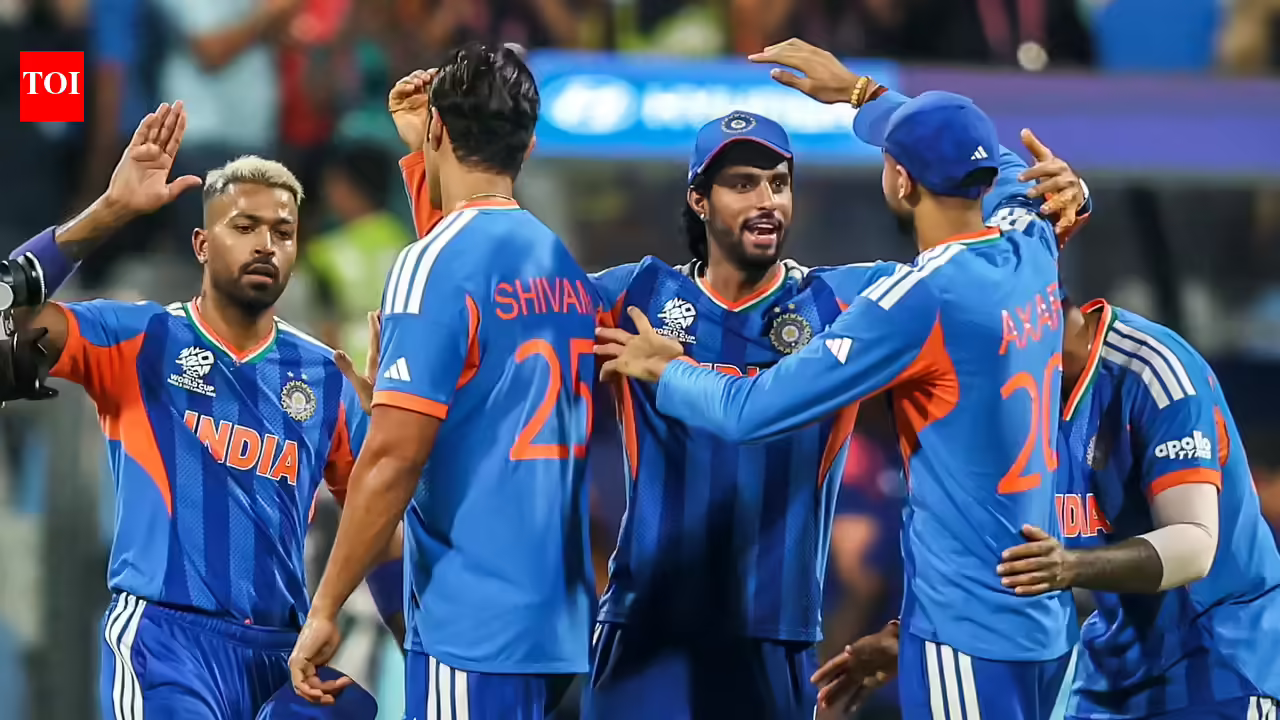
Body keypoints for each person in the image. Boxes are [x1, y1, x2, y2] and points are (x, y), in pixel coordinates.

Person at [596, 38, 1077, 720]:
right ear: (698, 199)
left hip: (786, 631)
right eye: (742, 183)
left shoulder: (869, 299)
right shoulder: (633, 292)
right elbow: (1009, 178)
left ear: (901, 181)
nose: (766, 199)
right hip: (646, 625)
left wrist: (668, 370)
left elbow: (748, 411)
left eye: (778, 181)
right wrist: (862, 96)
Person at [4, 102, 396, 718]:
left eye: (283, 232)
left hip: (281, 655)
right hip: (164, 647)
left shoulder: (328, 377)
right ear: (202, 244)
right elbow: (6, 318)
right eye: (244, 227)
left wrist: (418, 656)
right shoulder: (136, 338)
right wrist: (109, 211)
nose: (266, 244)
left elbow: (382, 525)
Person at [288, 43, 597, 720]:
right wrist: (423, 156)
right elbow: (477, 283)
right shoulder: (560, 264)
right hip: (555, 621)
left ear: (439, 129)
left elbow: (392, 461)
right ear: (528, 144)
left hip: (473, 620)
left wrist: (326, 605)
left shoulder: (431, 265)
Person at [991, 293, 1280, 719]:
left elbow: (1194, 545)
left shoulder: (1155, 369)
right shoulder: (1011, 397)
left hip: (1220, 658)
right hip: (1112, 671)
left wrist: (1068, 566)